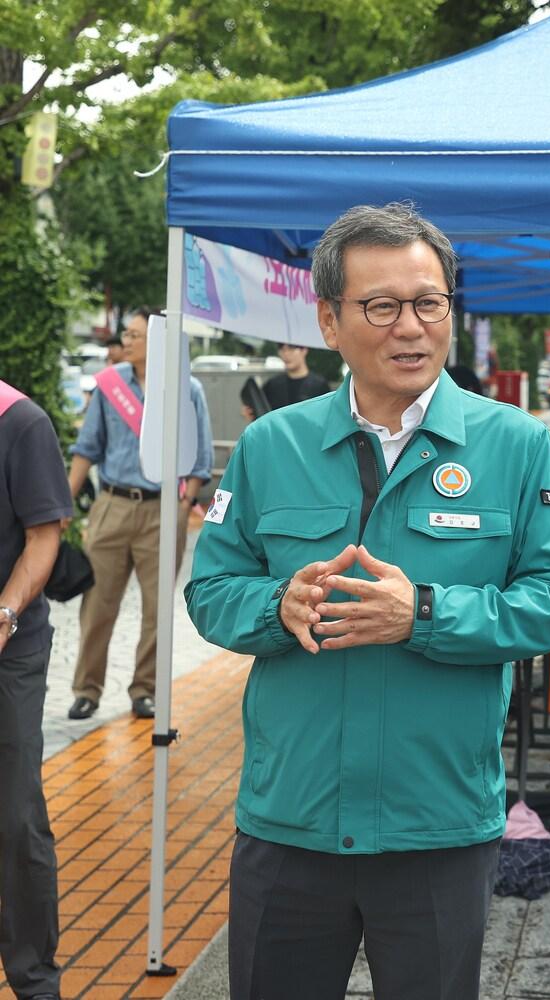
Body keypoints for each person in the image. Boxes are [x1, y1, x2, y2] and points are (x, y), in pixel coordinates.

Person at [185, 202, 550, 1000]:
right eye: (382, 307)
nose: (412, 327)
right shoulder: (273, 444)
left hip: (435, 825)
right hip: (291, 820)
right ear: (330, 322)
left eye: (429, 302)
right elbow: (210, 590)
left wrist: (427, 615)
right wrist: (279, 607)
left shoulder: (516, 444)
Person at [67, 308, 214, 720]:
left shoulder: (188, 389)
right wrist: (62, 505)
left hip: (163, 509)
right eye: (126, 335)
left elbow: (200, 459)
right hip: (111, 505)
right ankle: (86, 689)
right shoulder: (109, 386)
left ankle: (144, 690)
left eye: (133, 335)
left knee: (156, 610)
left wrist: (183, 507)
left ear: (156, 340)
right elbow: (86, 448)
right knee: (97, 604)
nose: (124, 342)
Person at [0, 379, 69, 1000]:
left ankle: (34, 978)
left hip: (8, 645)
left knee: (14, 812)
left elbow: (44, 533)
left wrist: (5, 611)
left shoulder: (19, 420)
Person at [241, 343, 332, 420]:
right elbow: (262, 414)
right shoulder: (272, 384)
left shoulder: (319, 385)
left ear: (304, 350)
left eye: (291, 349)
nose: (286, 354)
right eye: (282, 349)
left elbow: (328, 417)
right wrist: (251, 413)